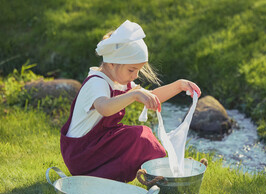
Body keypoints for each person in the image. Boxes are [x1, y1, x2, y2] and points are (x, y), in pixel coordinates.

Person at [60, 20, 201, 182]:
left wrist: (179, 85)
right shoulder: (96, 82)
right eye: (131, 70)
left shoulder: (118, 81)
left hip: (95, 147)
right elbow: (104, 107)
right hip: (81, 153)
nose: (135, 76)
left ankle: (162, 169)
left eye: (138, 71)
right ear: (112, 63)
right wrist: (133, 95)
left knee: (139, 139)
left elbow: (152, 96)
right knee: (139, 137)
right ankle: (164, 172)